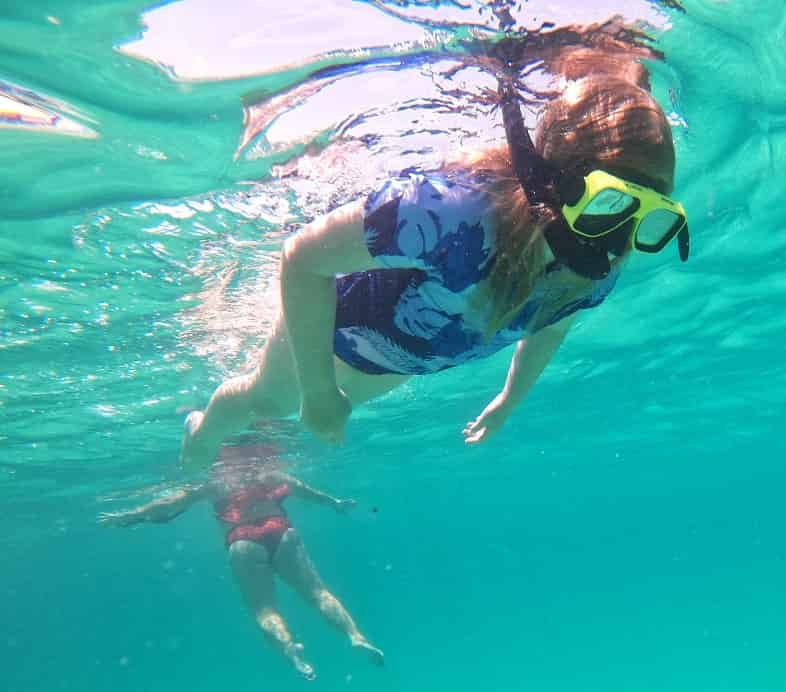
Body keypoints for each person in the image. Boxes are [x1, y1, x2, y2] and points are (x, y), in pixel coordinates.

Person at [179, 23, 691, 468]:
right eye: (611, 203)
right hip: (339, 322)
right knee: (270, 401)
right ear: (549, 180)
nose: (622, 235)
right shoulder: (455, 211)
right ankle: (203, 432)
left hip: (399, 359)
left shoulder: (603, 254)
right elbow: (303, 257)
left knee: (335, 408)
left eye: (652, 215)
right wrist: (316, 390)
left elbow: (551, 323)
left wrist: (509, 400)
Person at [99, 446, 384, 680]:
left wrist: (131, 516)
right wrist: (333, 502)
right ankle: (354, 636)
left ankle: (290, 650)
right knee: (318, 593)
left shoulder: (214, 483)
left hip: (242, 541)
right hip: (281, 530)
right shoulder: (267, 472)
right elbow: (300, 488)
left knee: (264, 609)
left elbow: (169, 504)